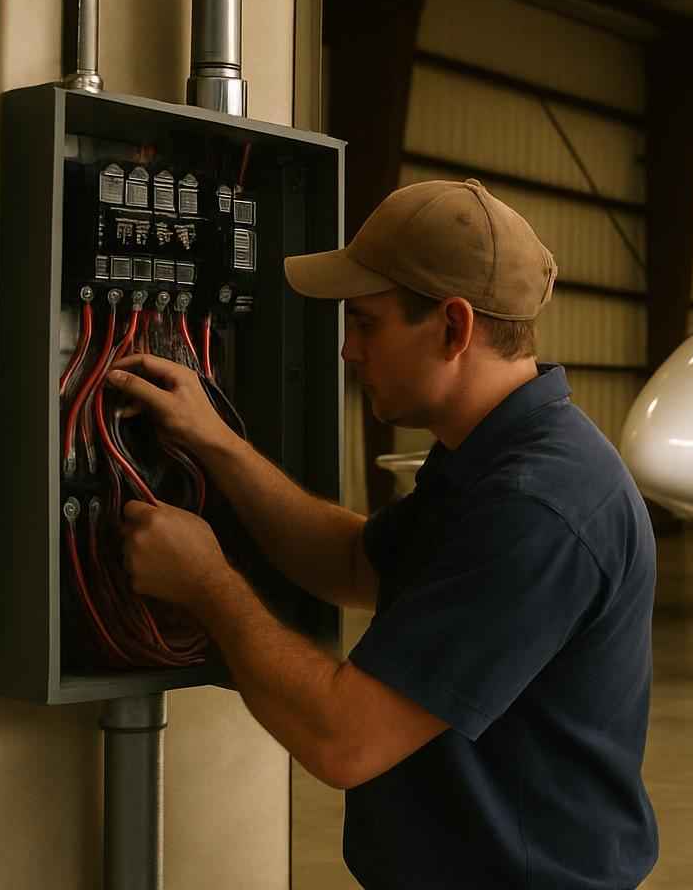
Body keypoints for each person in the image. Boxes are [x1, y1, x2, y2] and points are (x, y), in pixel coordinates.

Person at [107, 178, 660, 888]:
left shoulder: (537, 506)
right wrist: (218, 445)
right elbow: (351, 562)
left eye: (366, 323)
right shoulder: (489, 453)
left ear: (454, 328)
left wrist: (209, 585)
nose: (348, 351)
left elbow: (345, 738)